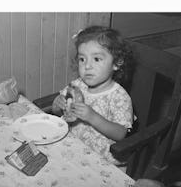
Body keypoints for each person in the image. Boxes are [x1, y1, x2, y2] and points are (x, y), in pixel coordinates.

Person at [52, 26, 135, 165]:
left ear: (116, 63)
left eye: (96, 59)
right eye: (82, 59)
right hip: (70, 146)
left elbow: (121, 134)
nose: (87, 66)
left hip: (101, 159)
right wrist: (57, 104)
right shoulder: (77, 85)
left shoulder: (119, 97)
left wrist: (92, 117)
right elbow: (58, 111)